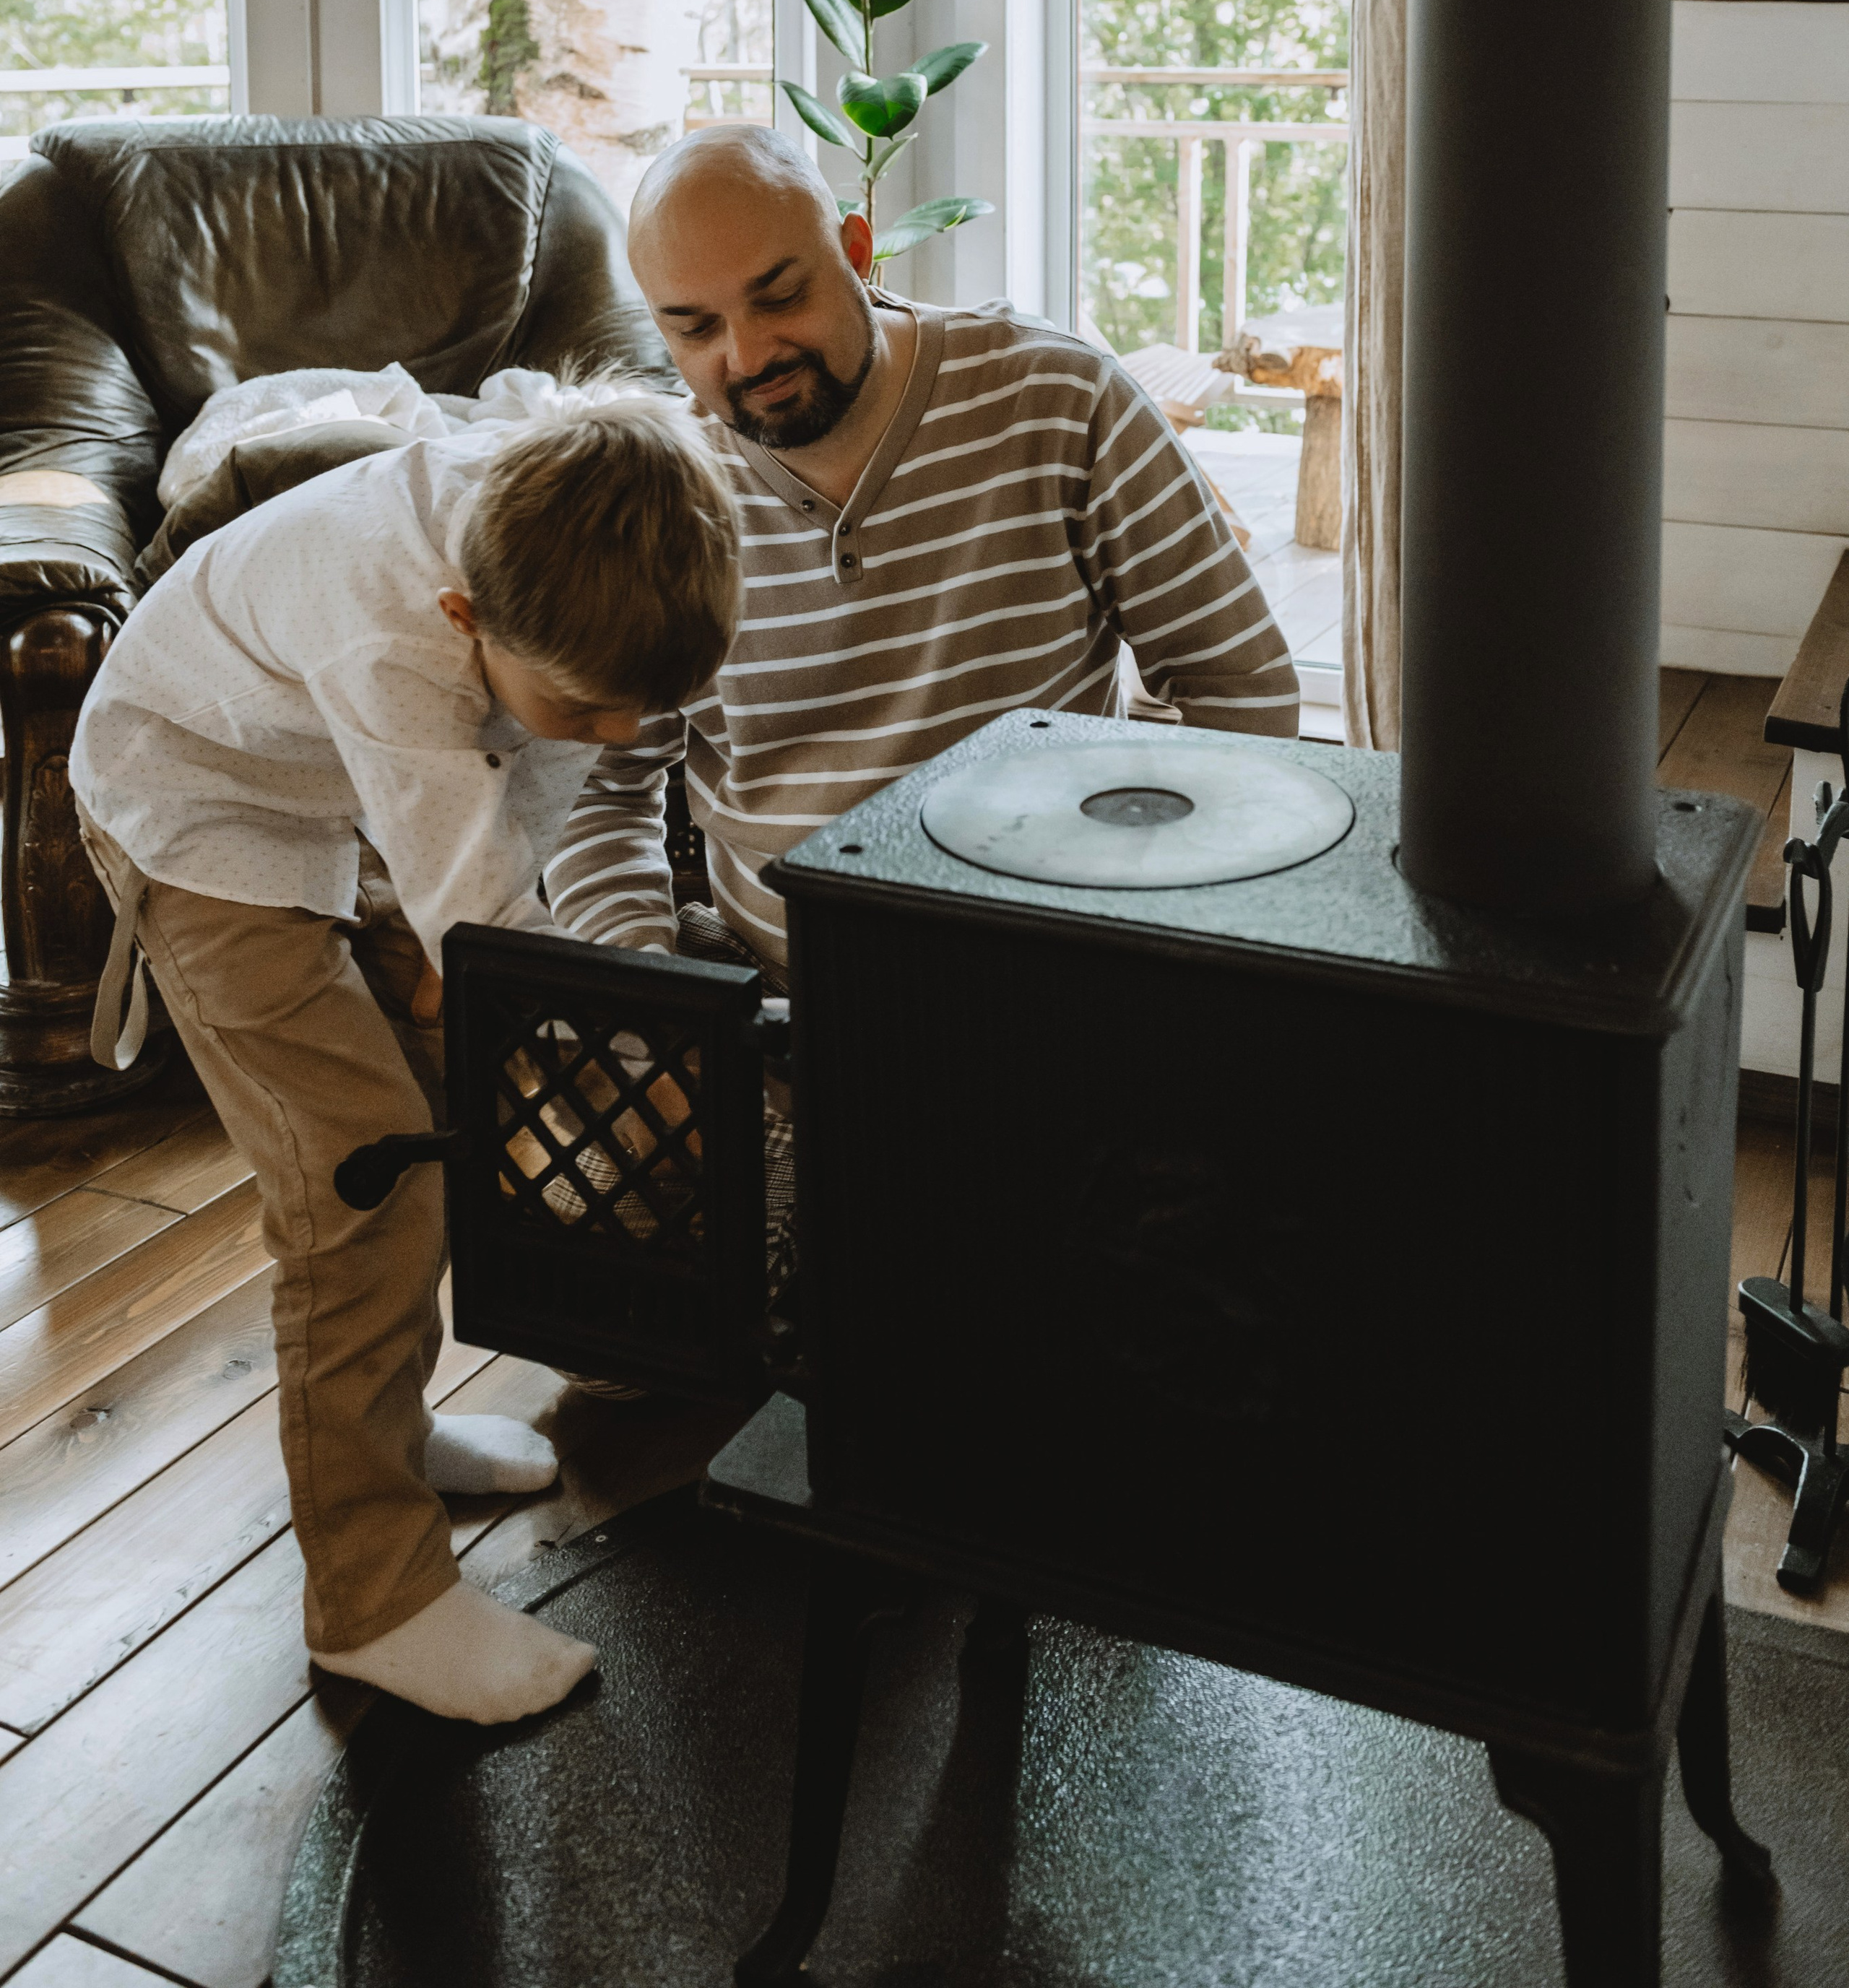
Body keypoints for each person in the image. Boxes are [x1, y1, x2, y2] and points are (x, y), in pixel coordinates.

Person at [69, 398, 738, 1723]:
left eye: (645, 708)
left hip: (326, 787)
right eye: (589, 706)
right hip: (190, 805)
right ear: (460, 617)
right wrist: (597, 1037)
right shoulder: (393, 640)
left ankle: (393, 1433)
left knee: (435, 1110)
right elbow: (481, 905)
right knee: (357, 1185)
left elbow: (523, 782)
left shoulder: (593, 532)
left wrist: (481, 940)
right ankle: (374, 1599)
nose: (621, 737)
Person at [547, 126, 1297, 978]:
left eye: (781, 296)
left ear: (856, 251)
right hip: (781, 1017)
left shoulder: (1059, 399)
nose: (748, 356)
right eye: (694, 328)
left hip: (1063, 978)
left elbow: (1235, 679)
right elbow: (598, 791)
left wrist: (1160, 930)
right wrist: (653, 1004)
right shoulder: (660, 491)